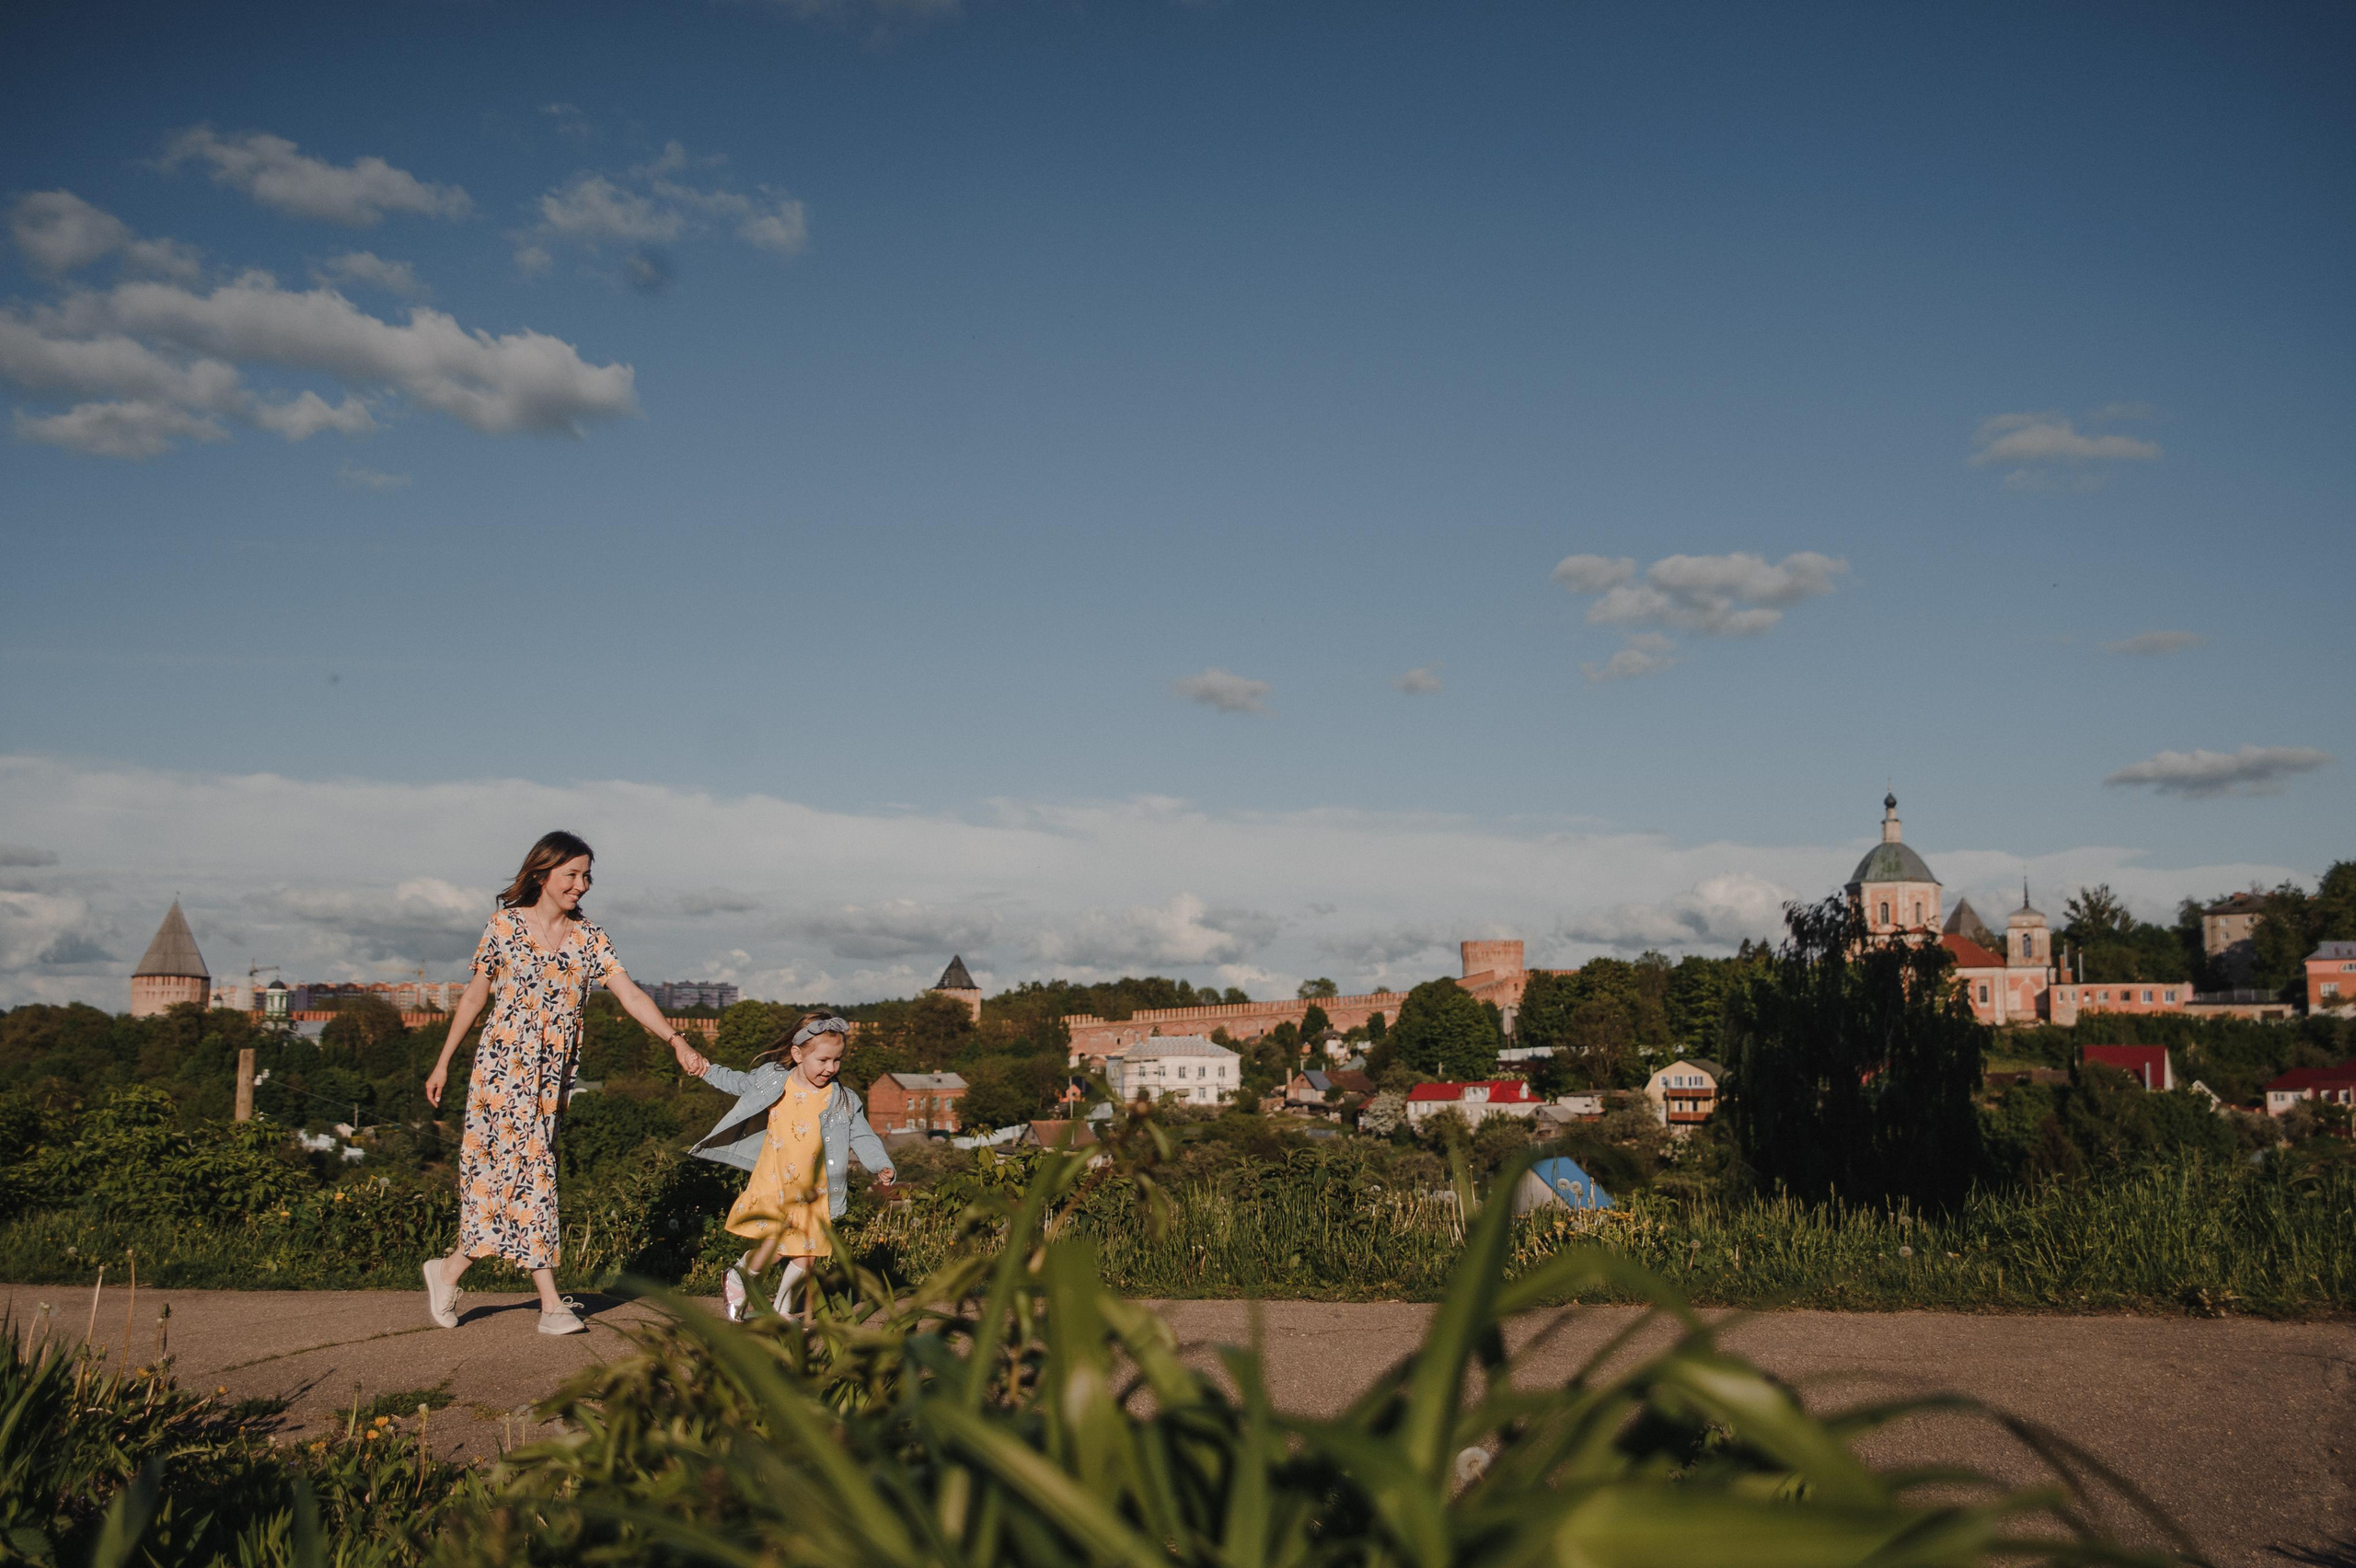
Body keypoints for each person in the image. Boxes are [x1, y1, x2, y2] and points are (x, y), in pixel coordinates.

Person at [421, 830, 708, 1334]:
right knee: (531, 1173)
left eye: (587, 876)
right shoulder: (505, 925)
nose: (582, 885)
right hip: (501, 1070)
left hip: (551, 1080)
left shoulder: (590, 937)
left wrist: (675, 1040)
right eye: (572, 874)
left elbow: (630, 995)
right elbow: (475, 997)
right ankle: (551, 1305)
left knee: (511, 1180)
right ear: (542, 873)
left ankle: (449, 1270)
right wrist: (443, 1062)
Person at [688, 1011, 894, 1322]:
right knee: (777, 1248)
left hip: (815, 1191)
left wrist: (880, 1163)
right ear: (798, 1055)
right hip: (776, 1182)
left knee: (808, 1257)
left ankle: (782, 1312)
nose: (831, 1068)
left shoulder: (842, 1099)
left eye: (837, 1060)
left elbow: (862, 1134)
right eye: (823, 1060)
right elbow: (737, 1081)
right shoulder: (774, 1081)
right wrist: (705, 1069)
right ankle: (740, 1275)